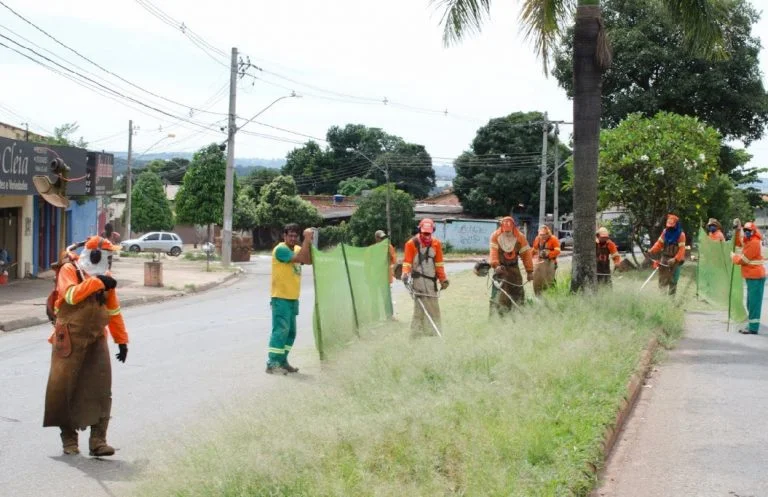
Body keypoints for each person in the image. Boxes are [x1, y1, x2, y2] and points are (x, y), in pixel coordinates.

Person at [43, 235, 128, 456]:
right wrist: (98, 281)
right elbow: (71, 296)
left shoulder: (105, 278)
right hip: (68, 339)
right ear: (96, 255)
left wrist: (122, 340)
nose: (110, 261)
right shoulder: (69, 270)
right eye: (108, 255)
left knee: (101, 388)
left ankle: (98, 441)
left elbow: (113, 311)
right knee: (65, 388)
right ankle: (69, 441)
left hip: (96, 338)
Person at [266, 223, 314, 375]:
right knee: (281, 330)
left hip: (293, 297)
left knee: (291, 332)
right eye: (290, 235)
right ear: (284, 236)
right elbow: (300, 258)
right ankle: (272, 363)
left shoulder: (298, 248)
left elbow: (308, 260)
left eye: (295, 236)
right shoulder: (280, 249)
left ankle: (282, 360)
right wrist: (306, 239)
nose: (293, 238)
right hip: (280, 297)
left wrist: (308, 241)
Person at [401, 218, 449, 336]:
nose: (426, 236)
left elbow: (439, 264)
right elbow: (407, 262)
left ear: (433, 231)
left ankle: (432, 334)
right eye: (424, 233)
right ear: (420, 230)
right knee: (419, 310)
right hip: (418, 282)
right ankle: (416, 335)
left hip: (431, 283)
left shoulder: (436, 244)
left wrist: (443, 279)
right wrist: (405, 273)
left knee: (433, 308)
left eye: (429, 233)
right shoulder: (411, 244)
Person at [489, 216, 533, 314]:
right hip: (500, 269)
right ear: (501, 227)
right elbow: (493, 253)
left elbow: (526, 255)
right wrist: (496, 266)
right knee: (498, 295)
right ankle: (497, 317)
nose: (507, 233)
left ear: (513, 227)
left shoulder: (520, 237)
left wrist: (529, 271)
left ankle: (518, 315)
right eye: (505, 231)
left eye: (509, 231)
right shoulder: (495, 236)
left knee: (517, 293)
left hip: (514, 269)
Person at [732, 220, 766, 334]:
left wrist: (734, 257)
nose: (746, 232)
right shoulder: (749, 240)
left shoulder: (754, 243)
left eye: (748, 231)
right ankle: (752, 324)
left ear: (753, 231)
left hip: (756, 276)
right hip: (751, 276)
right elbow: (738, 242)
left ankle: (753, 328)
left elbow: (744, 260)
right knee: (750, 303)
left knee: (754, 304)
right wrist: (737, 230)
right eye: (745, 230)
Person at [649, 213, 686, 295]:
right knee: (662, 280)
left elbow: (682, 250)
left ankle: (671, 301)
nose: (669, 227)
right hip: (664, 258)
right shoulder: (665, 232)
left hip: (675, 260)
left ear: (676, 225)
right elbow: (659, 243)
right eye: (668, 225)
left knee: (673, 280)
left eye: (671, 226)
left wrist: (675, 259)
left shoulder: (681, 235)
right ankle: (662, 299)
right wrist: (651, 250)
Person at [531, 225, 561, 296]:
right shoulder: (537, 239)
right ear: (539, 234)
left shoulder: (553, 239)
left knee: (549, 281)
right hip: (540, 262)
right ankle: (538, 295)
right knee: (538, 280)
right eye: (541, 235)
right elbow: (534, 249)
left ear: (548, 234)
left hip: (550, 263)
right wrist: (529, 257)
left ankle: (552, 295)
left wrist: (548, 254)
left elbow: (558, 251)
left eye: (544, 235)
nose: (543, 237)